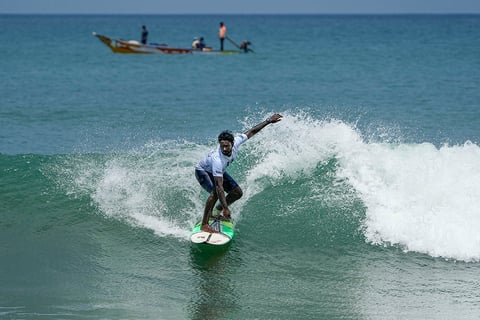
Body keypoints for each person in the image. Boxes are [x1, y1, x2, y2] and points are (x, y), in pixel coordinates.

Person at [195, 114, 283, 233]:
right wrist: (226, 208)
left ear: (232, 143)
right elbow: (219, 187)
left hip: (217, 172)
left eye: (227, 146)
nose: (224, 149)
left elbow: (252, 131)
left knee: (237, 193)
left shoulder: (237, 141)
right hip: (203, 171)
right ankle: (204, 224)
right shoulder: (217, 160)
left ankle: (216, 211)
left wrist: (268, 121)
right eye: (222, 146)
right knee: (215, 192)